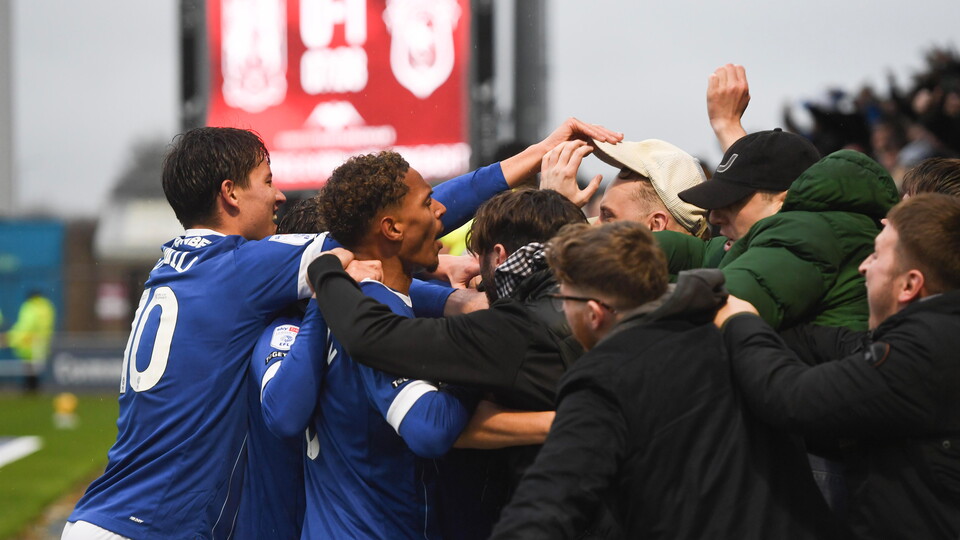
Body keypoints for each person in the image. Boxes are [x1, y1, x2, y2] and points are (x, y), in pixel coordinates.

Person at [487, 221, 840, 539]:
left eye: (563, 298)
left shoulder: (601, 379)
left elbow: (548, 500)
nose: (562, 309)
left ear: (594, 313)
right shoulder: (728, 334)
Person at [306, 189, 612, 538]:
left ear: (498, 257)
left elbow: (373, 339)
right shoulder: (606, 304)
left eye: (479, 258)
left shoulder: (511, 330)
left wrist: (327, 271)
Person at [714, 193, 960, 539]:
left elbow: (793, 399)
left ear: (909, 285)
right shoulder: (939, 334)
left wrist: (739, 322)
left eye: (876, 255)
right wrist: (774, 327)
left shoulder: (927, 351)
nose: (863, 266)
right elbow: (843, 345)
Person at [4, 290, 56, 393]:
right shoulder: (47, 306)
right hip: (42, 341)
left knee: (29, 366)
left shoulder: (31, 307)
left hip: (28, 342)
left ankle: (30, 388)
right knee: (36, 367)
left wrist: (11, 338)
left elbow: (25, 327)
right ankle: (33, 387)